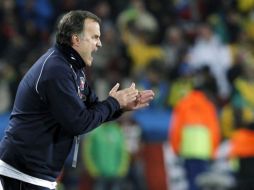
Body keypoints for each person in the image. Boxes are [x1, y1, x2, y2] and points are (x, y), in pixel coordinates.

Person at [0, 10, 155, 190]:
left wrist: (120, 107)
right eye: (95, 37)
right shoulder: (56, 70)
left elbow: (94, 109)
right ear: (76, 39)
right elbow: (78, 122)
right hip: (22, 175)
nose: (100, 44)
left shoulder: (73, 69)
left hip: (33, 175)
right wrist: (114, 103)